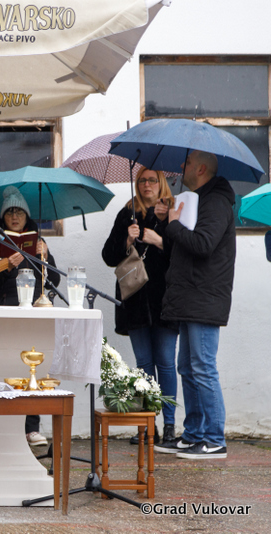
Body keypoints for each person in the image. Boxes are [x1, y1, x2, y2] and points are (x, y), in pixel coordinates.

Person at [153, 150, 235, 460]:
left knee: (202, 368)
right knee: (187, 367)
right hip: (190, 296)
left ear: (201, 169)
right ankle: (194, 435)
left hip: (204, 297)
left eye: (186, 162)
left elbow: (203, 244)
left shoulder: (216, 202)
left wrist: (174, 225)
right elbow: (181, 246)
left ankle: (214, 439)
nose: (181, 166)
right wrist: (167, 221)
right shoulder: (196, 200)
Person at [102, 168, 178, 447]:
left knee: (166, 362)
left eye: (152, 180)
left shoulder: (173, 213)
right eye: (142, 180)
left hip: (165, 299)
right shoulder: (127, 214)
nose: (147, 185)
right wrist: (127, 240)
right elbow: (108, 256)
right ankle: (148, 425)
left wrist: (160, 236)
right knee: (144, 364)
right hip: (135, 300)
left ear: (161, 183)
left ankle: (169, 426)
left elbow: (184, 254)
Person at [0, 186, 60, 447]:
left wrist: (44, 256)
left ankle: (31, 428)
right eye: (10, 212)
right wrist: (7, 266)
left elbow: (54, 280)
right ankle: (3, 426)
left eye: (20, 212)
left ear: (27, 217)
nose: (15, 217)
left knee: (31, 368)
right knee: (5, 367)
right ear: (3, 217)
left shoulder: (38, 241)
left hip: (33, 312)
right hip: (4, 311)